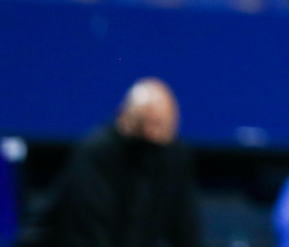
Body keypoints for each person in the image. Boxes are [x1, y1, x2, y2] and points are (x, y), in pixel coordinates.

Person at [15, 78, 202, 247]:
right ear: (124, 117)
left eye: (160, 125)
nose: (152, 133)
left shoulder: (175, 157)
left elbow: (185, 227)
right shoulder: (98, 152)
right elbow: (86, 231)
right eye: (144, 123)